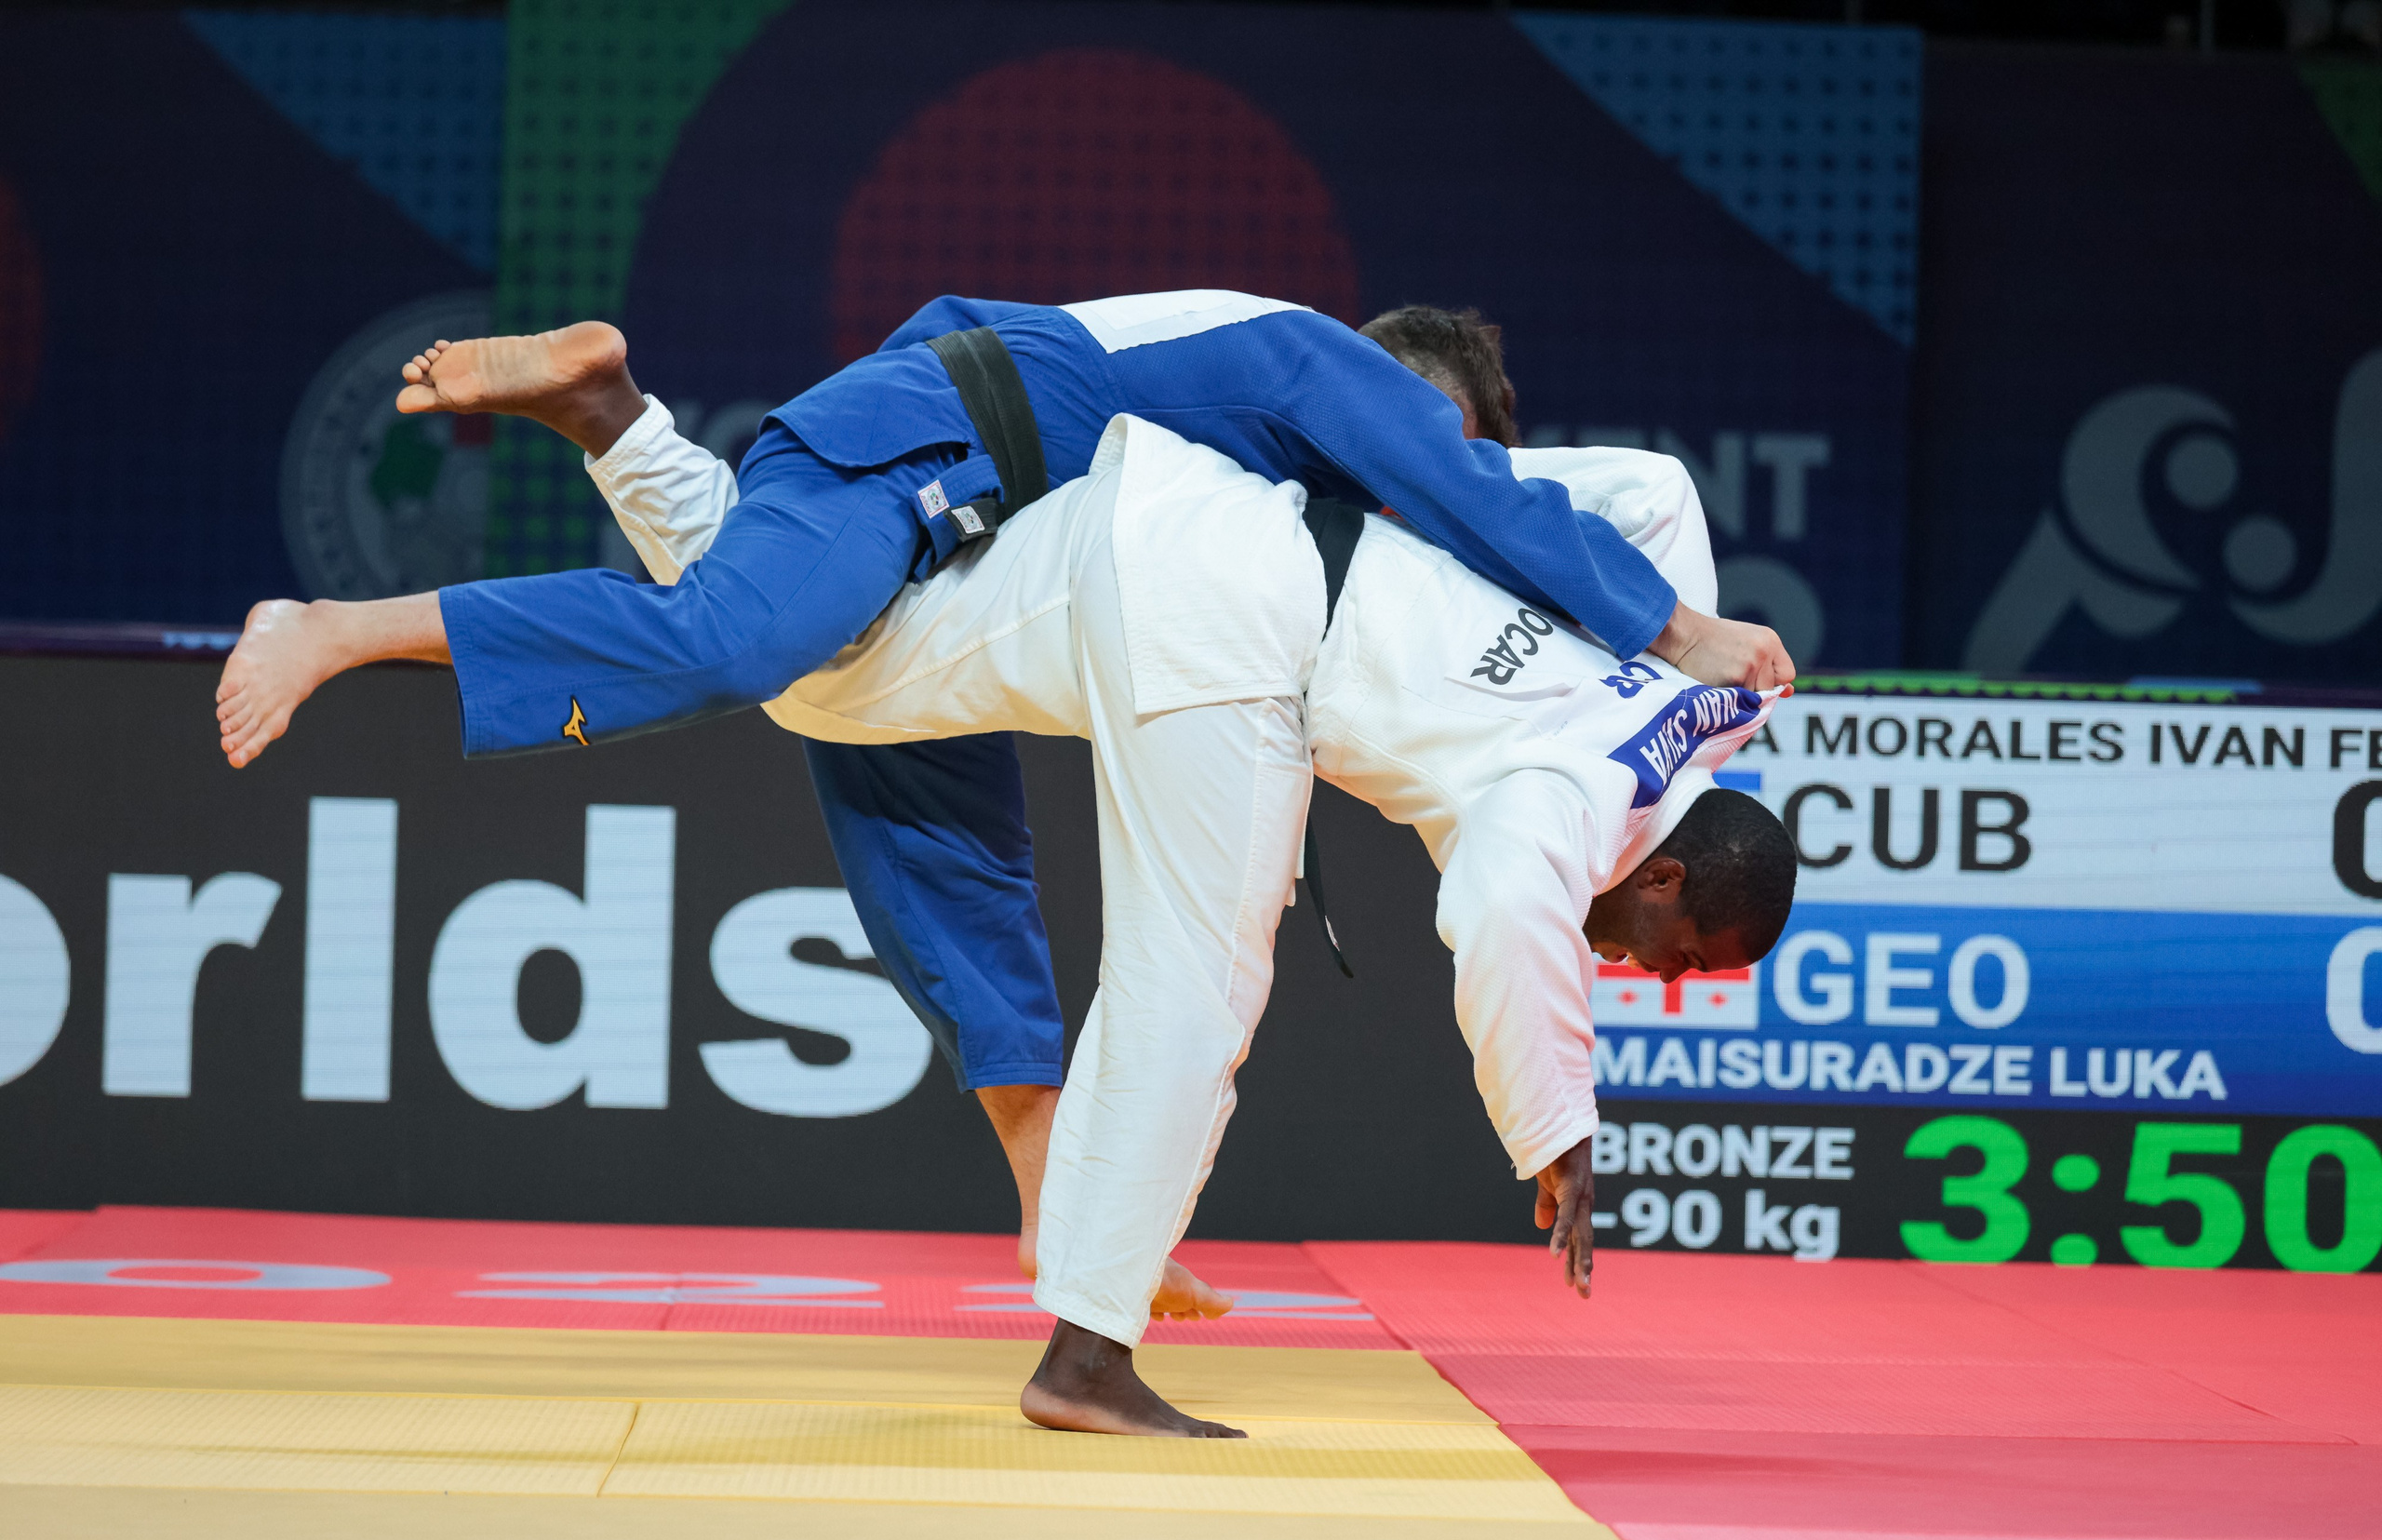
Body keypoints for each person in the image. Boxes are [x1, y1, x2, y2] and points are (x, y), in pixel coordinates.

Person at [218, 298, 1795, 1323]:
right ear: (1402, 405)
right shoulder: (1335, 379)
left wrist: (1668, 688)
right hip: (940, 440)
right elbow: (1495, 505)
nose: (1425, 491)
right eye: (1421, 454)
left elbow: (1572, 502)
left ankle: (611, 414)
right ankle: (344, 624)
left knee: (918, 785)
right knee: (759, 650)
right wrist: (1678, 633)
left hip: (988, 525)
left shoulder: (1370, 500)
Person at [487, 385, 1797, 1437]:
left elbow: (1652, 491)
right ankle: (1086, 1358)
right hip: (1244, 650)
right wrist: (1560, 1132)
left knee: (828, 675)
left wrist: (1449, 498)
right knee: (1191, 990)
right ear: (1672, 874)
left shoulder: (1714, 682)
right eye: (1682, 961)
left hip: (1170, 517)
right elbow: (1507, 908)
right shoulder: (1585, 803)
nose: (1655, 976)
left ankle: (627, 432)